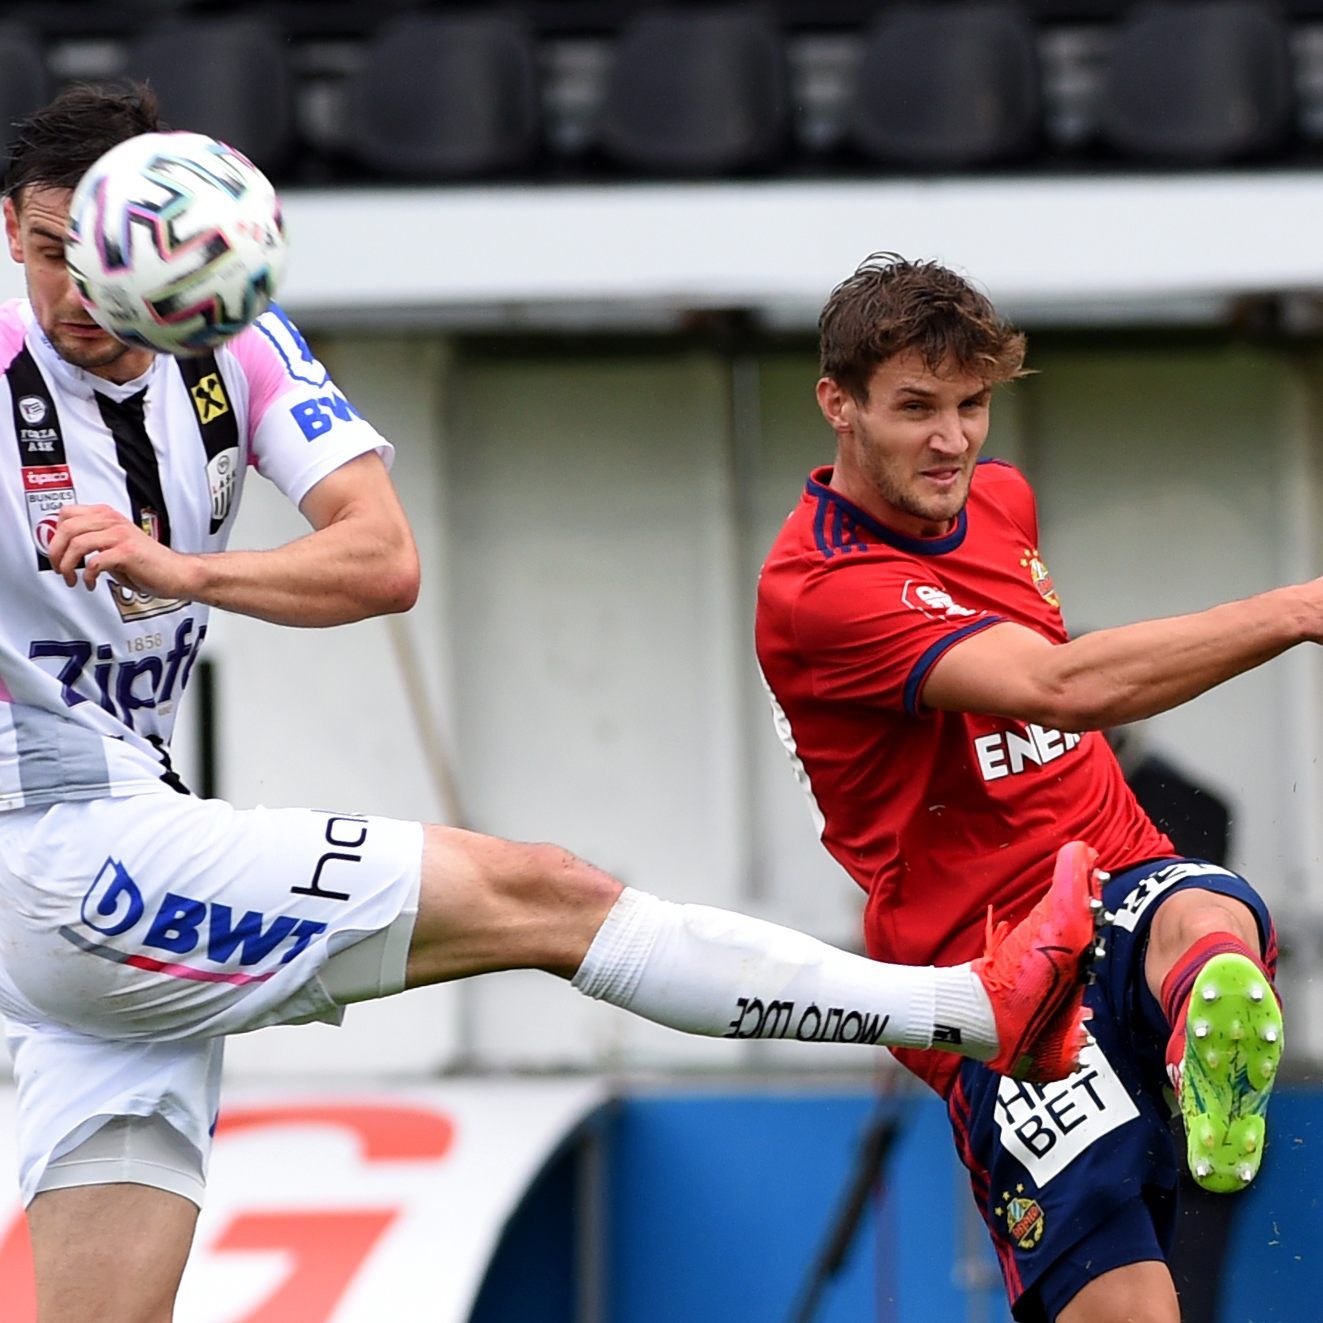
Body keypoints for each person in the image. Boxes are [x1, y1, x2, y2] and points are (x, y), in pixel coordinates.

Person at [0, 88, 1109, 1323]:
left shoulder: (238, 341)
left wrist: (185, 573)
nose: (77, 291)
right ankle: (973, 1005)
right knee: (546, 893)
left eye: (104, 257)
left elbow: (381, 560)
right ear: (10, 232)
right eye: (49, 252)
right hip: (60, 854)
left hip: (114, 874)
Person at [755, 253, 1286, 1323]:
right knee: (1131, 1309)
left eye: (972, 405)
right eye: (916, 408)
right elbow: (1058, 686)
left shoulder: (1000, 501)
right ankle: (1184, 1043)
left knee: (1205, 914)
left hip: (1111, 875)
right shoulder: (819, 590)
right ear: (838, 403)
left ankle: (1206, 1031)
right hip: (993, 975)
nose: (952, 440)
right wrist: (1299, 609)